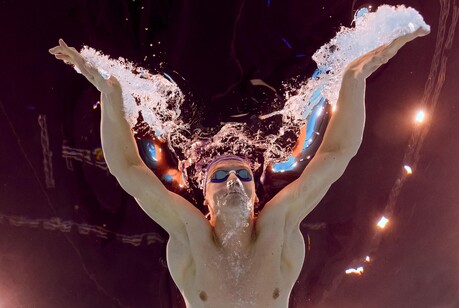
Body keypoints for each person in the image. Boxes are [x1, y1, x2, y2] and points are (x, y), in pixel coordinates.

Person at [49, 27, 428, 308]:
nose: (233, 179)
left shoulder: (276, 224)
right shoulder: (191, 232)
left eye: (242, 175)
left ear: (254, 197)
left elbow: (336, 155)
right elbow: (128, 169)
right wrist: (110, 93)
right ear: (207, 199)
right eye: (222, 175)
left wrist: (354, 77)